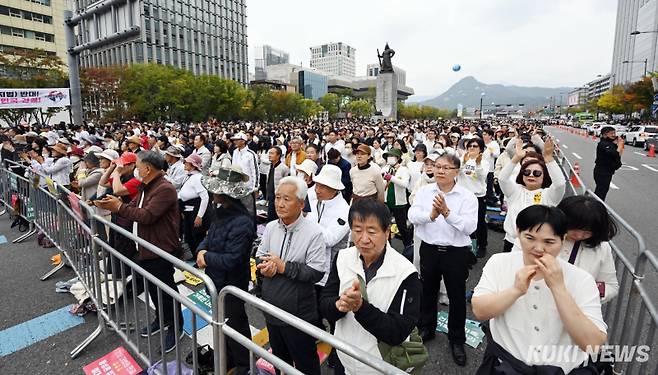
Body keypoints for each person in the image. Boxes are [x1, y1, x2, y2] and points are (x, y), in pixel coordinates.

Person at [472, 205, 607, 374]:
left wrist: (558, 288)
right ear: (518, 232)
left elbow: (592, 344)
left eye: (549, 242)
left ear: (563, 240)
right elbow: (479, 311)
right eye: (529, 238)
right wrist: (515, 290)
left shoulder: (582, 279)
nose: (538, 248)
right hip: (504, 366)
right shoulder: (499, 262)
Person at [319, 199, 422, 375]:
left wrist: (360, 308)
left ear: (387, 231)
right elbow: (324, 302)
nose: (364, 239)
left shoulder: (406, 274)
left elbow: (398, 332)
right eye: (357, 230)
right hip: (344, 358)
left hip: (380, 367)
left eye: (372, 231)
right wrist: (338, 305)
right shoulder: (343, 258)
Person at [96, 150, 184, 354]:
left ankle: (175, 326)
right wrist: (112, 203)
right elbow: (133, 206)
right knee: (152, 288)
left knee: (166, 290)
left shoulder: (165, 188)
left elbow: (147, 216)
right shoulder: (147, 186)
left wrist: (118, 207)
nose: (134, 168)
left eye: (136, 165)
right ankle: (161, 320)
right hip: (144, 247)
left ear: (147, 168)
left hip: (160, 248)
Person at [408, 151, 478, 366]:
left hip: (456, 253)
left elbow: (469, 227)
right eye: (437, 166)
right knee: (427, 291)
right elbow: (412, 215)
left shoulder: (467, 197)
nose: (439, 170)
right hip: (429, 249)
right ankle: (426, 327)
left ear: (456, 172)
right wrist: (430, 216)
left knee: (456, 297)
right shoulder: (424, 192)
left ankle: (456, 339)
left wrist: (447, 213)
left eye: (445, 167)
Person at [255, 176, 326, 375]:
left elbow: (316, 272)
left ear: (301, 204)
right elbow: (260, 255)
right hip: (271, 309)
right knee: (279, 360)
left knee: (305, 364)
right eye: (277, 198)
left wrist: (284, 267)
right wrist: (265, 266)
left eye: (287, 199)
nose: (279, 204)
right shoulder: (270, 227)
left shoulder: (314, 233)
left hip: (298, 315)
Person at [196, 167, 255, 375]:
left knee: (235, 323)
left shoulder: (242, 222)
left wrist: (206, 257)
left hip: (231, 283)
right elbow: (209, 236)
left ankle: (244, 363)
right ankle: (228, 358)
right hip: (217, 280)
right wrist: (201, 249)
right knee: (224, 324)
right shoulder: (220, 212)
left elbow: (233, 258)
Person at [499, 137, 565, 252]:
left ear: (545, 176)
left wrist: (549, 158)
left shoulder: (549, 195)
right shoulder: (515, 191)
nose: (531, 175)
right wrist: (516, 158)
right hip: (511, 241)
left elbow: (559, 184)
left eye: (537, 173)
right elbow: (502, 179)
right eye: (527, 172)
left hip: (537, 247)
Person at [554, 196, 619, 303]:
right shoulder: (542, 238)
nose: (579, 236)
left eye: (587, 232)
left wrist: (587, 294)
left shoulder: (601, 247)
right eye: (574, 229)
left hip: (577, 310)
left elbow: (610, 286)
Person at [307, 165, 350, 288]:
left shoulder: (344, 210)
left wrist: (306, 218)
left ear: (335, 189)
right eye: (317, 185)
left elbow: (329, 239)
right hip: (307, 266)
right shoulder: (315, 202)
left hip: (329, 273)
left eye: (323, 187)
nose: (317, 190)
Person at [457, 138, 489, 258]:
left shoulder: (484, 162)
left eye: (475, 146)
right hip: (463, 196)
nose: (471, 148)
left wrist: (478, 164)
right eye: (470, 146)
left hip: (478, 196)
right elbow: (456, 172)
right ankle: (466, 244)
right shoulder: (462, 159)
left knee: (479, 222)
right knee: (463, 220)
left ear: (480, 149)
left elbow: (481, 176)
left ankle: (482, 245)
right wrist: (463, 163)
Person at [381, 148, 412, 257]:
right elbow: (382, 181)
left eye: (392, 156)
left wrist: (391, 177)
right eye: (388, 156)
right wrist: (384, 178)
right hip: (386, 201)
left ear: (398, 158)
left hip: (399, 202)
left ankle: (408, 246)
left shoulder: (404, 170)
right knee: (386, 225)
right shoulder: (386, 168)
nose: (389, 158)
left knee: (402, 226)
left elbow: (404, 184)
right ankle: (387, 246)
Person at [178, 154, 210, 259]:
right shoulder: (188, 176)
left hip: (194, 211)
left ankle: (199, 257)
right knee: (189, 235)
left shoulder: (197, 178)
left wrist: (199, 216)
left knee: (197, 236)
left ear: (192, 165)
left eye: (187, 162)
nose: (184, 163)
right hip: (187, 209)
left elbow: (205, 197)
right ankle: (195, 255)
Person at [231, 132, 259, 217]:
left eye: (237, 140)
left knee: (249, 210)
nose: (235, 142)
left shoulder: (251, 154)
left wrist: (255, 188)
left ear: (243, 141)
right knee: (237, 209)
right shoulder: (235, 152)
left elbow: (255, 172)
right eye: (234, 140)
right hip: (236, 185)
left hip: (248, 186)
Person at [593, 126, 623, 201]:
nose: (614, 135)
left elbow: (618, 156)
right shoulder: (603, 144)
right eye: (611, 133)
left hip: (608, 171)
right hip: (602, 171)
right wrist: (619, 146)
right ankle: (595, 208)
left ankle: (596, 207)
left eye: (614, 133)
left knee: (603, 191)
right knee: (600, 192)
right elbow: (613, 154)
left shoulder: (610, 143)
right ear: (604, 135)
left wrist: (619, 145)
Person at [266, 146, 290, 222]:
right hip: (270, 195)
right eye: (269, 153)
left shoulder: (284, 168)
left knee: (277, 217)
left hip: (279, 196)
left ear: (278, 155)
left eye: (272, 153)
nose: (269, 155)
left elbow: (287, 184)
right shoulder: (269, 166)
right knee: (270, 216)